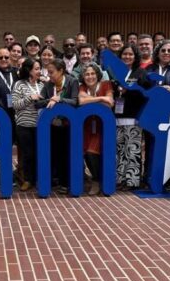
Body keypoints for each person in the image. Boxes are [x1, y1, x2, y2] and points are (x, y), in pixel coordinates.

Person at [111, 44, 153, 189]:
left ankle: (132, 181)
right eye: (124, 54)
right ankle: (119, 179)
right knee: (119, 149)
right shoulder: (116, 72)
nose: (127, 57)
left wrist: (129, 90)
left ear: (135, 57)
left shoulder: (140, 73)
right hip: (117, 116)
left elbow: (146, 94)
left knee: (132, 149)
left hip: (134, 117)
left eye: (130, 54)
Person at [42, 58, 80, 194]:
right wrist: (51, 99)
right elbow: (38, 103)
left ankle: (66, 183)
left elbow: (75, 101)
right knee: (54, 153)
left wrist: (60, 99)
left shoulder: (72, 81)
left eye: (51, 72)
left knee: (67, 154)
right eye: (48, 72)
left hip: (68, 125)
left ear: (61, 71)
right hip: (52, 125)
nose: (49, 75)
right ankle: (53, 180)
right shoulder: (48, 85)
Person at [78, 63, 114, 195]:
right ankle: (96, 178)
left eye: (92, 73)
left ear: (97, 75)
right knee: (86, 153)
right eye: (87, 74)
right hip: (87, 127)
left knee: (92, 152)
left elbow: (110, 103)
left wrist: (91, 99)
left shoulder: (106, 85)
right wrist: (101, 98)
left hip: (103, 128)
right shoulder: (82, 87)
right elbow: (81, 101)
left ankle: (97, 180)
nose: (90, 76)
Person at [12, 58, 44, 191]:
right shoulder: (19, 84)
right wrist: (30, 98)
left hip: (40, 125)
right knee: (27, 154)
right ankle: (27, 179)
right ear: (29, 70)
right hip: (24, 125)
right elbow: (15, 104)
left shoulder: (42, 85)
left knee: (39, 153)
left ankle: (39, 179)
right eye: (36, 69)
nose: (39, 71)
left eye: (39, 68)